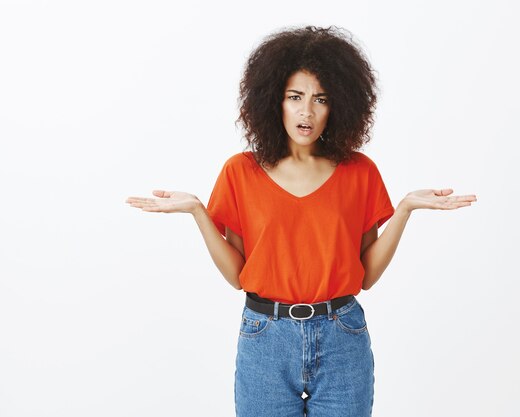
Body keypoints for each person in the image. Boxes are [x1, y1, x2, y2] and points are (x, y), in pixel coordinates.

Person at [125, 25, 477, 417]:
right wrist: (196, 212)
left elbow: (366, 277)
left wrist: (406, 209)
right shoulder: (240, 172)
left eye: (320, 99)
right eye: (295, 97)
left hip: (342, 336)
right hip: (265, 338)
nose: (306, 111)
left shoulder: (359, 172)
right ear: (274, 101)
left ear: (339, 106)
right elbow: (237, 276)